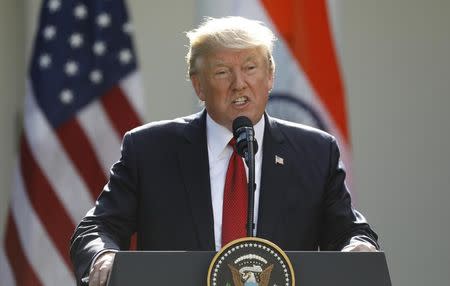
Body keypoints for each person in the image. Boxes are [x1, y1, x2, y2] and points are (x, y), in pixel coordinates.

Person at [70, 16, 379, 286]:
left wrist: (359, 246)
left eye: (250, 68)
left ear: (270, 76)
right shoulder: (150, 149)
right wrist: (103, 255)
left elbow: (349, 232)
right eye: (222, 72)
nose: (239, 84)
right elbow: (97, 228)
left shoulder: (315, 151)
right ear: (198, 86)